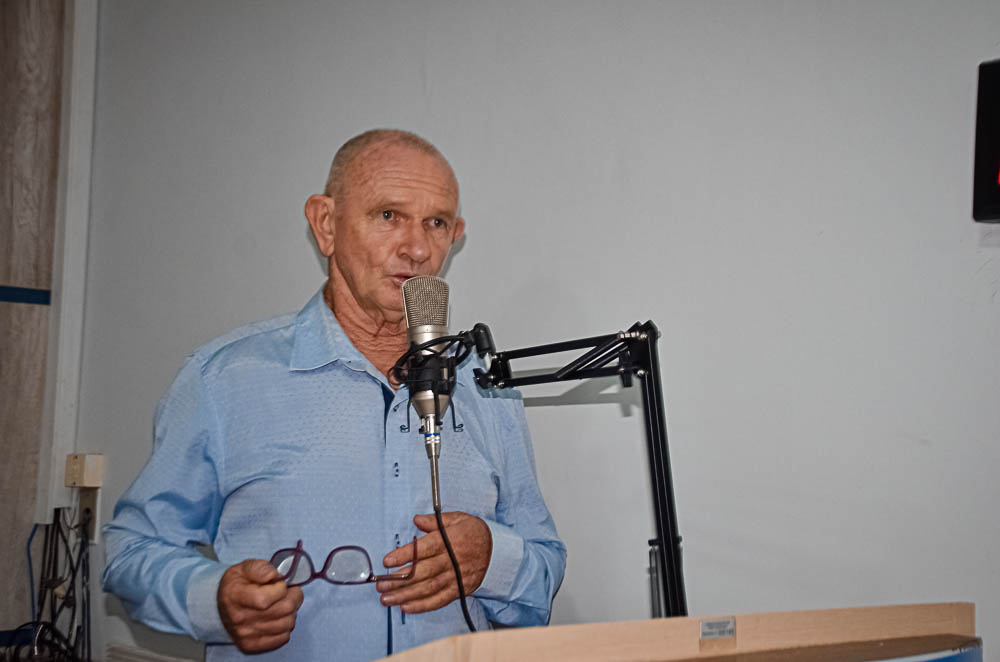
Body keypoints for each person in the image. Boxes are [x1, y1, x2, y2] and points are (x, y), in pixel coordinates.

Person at [102, 129, 566, 661]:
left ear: (455, 235)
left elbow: (544, 562)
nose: (416, 248)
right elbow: (129, 550)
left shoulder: (485, 385)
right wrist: (212, 599)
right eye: (389, 215)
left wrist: (492, 559)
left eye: (436, 223)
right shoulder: (224, 380)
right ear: (326, 225)